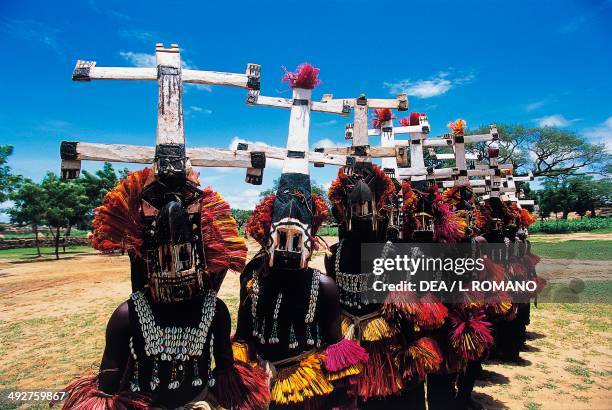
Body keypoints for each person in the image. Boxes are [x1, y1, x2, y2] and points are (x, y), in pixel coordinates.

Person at [59, 166, 269, 410]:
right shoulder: (126, 316)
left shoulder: (215, 310)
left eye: (183, 256)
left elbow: (225, 369)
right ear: (144, 256)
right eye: (164, 257)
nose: (175, 269)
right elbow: (108, 387)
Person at [325, 161, 444, 409]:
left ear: (378, 207)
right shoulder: (333, 255)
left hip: (386, 350)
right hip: (346, 346)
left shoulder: (399, 254)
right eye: (354, 206)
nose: (360, 212)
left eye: (365, 206)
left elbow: (410, 311)